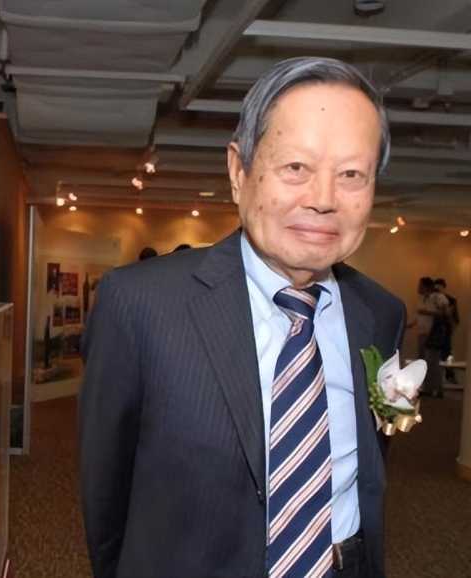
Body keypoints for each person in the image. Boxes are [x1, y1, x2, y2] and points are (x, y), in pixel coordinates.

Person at [80, 57, 406, 578]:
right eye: (296, 168)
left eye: (351, 175)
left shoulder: (381, 314)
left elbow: (362, 475)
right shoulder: (140, 304)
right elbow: (105, 495)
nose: (323, 200)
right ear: (239, 171)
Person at [412, 277, 449, 397]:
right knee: (424, 362)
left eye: (420, 285)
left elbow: (444, 312)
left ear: (426, 286)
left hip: (432, 334)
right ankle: (427, 388)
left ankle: (438, 389)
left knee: (432, 362)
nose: (418, 287)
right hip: (422, 333)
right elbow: (420, 316)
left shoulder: (436, 297)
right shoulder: (422, 299)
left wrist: (427, 312)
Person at [434, 278, 459, 383]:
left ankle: (450, 374)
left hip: (445, 330)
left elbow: (455, 318)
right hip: (434, 331)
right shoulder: (432, 298)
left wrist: (451, 327)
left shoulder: (451, 300)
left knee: (447, 353)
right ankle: (436, 378)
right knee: (434, 354)